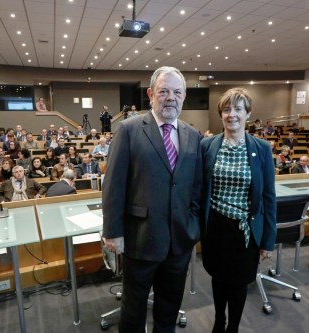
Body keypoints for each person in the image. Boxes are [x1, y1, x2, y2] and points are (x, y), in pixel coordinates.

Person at [102, 66, 203, 332]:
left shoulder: (193, 135)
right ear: (151, 94)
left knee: (169, 307)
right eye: (164, 91)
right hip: (141, 237)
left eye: (177, 92)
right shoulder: (128, 129)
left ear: (184, 97)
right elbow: (113, 186)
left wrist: (192, 226)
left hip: (179, 241)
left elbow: (196, 188)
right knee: (134, 310)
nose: (171, 97)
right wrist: (113, 232)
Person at [201, 88, 276, 333]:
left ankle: (232, 326)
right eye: (226, 109)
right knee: (218, 277)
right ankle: (218, 320)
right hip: (216, 226)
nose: (232, 114)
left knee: (239, 282)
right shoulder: (208, 145)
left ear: (248, 113)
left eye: (238, 109)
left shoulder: (262, 148)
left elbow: (268, 197)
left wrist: (268, 239)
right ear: (220, 114)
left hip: (246, 229)